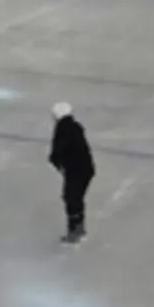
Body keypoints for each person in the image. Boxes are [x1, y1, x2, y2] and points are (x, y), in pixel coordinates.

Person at [49, 101, 94, 243]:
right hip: (86, 169)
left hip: (75, 170)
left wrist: (59, 164)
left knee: (71, 198)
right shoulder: (76, 127)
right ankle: (79, 227)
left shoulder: (62, 130)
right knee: (76, 198)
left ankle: (75, 231)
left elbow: (56, 153)